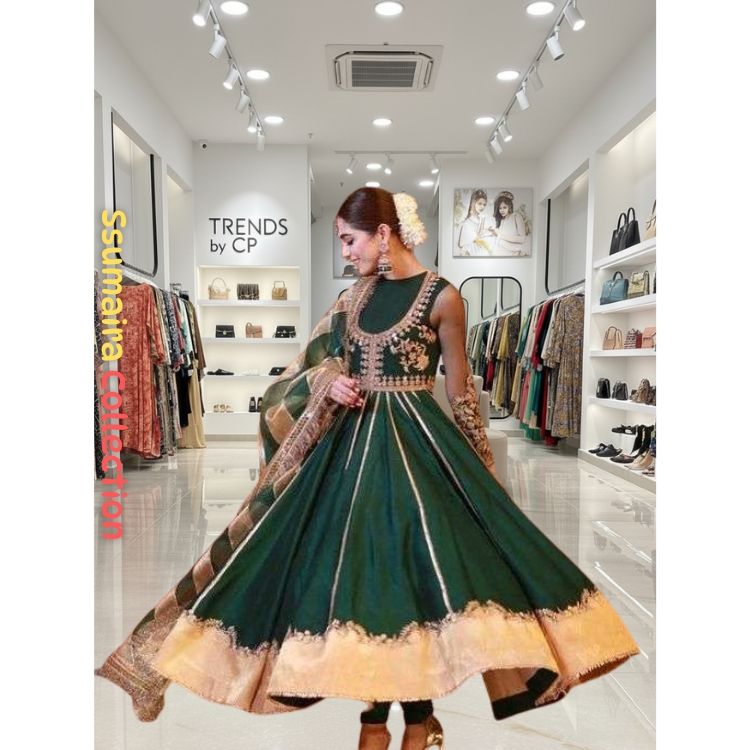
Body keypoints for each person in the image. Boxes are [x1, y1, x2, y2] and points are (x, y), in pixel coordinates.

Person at [96, 188, 639, 750]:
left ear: (383, 233)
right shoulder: (350, 299)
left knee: (419, 583)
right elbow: (305, 369)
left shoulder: (444, 298)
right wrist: (328, 382)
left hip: (421, 455)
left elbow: (462, 396)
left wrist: (484, 478)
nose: (345, 252)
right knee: (363, 584)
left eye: (349, 239)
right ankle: (382, 721)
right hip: (349, 457)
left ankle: (412, 722)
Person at [491, 190, 531, 256]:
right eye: (500, 208)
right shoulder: (502, 220)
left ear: (509, 206)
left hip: (514, 254)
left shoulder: (516, 216)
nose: (502, 210)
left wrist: (500, 236)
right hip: (502, 253)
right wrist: (495, 234)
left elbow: (522, 239)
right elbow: (501, 239)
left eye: (504, 207)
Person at [456, 189, 494, 255]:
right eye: (480, 203)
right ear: (473, 203)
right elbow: (462, 244)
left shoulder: (482, 219)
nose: (482, 207)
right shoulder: (467, 223)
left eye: (484, 205)